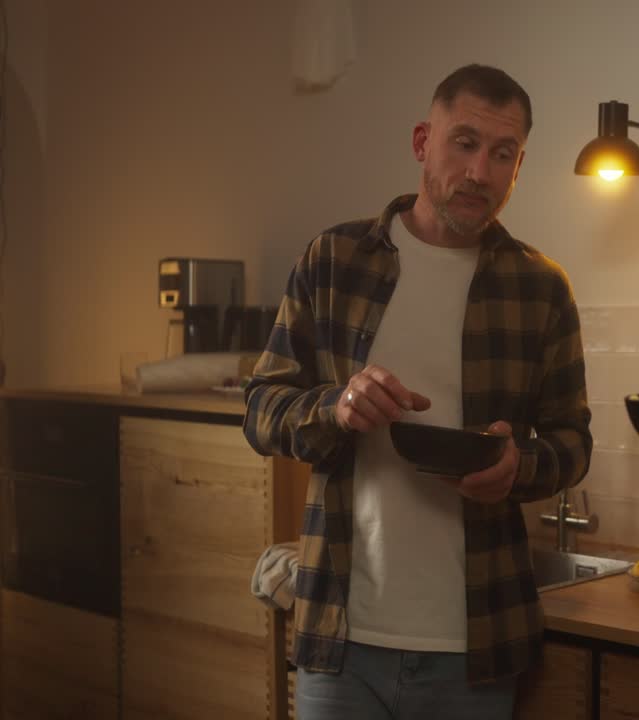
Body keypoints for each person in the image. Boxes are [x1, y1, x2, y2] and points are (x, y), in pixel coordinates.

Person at [243, 64, 592, 719]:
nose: (480, 172)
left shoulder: (540, 288)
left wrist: (521, 465)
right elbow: (261, 406)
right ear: (421, 142)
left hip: (475, 646)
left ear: (518, 167)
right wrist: (335, 406)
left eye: (502, 154)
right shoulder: (334, 261)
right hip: (339, 639)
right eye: (463, 143)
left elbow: (573, 440)